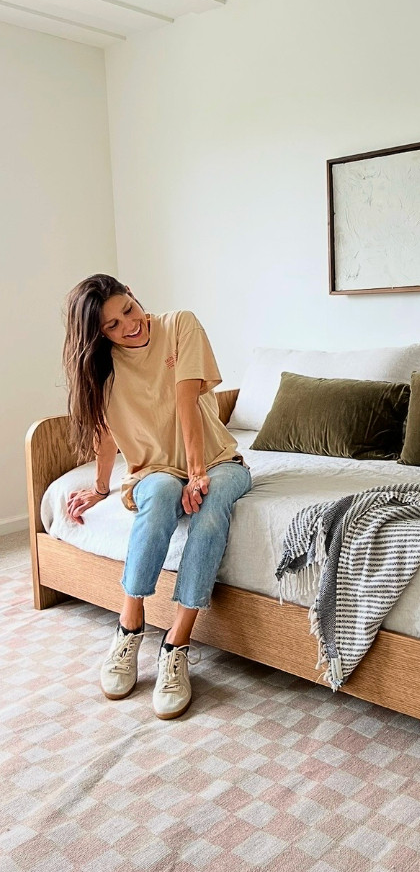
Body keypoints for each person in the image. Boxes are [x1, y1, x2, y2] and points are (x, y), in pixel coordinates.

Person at [62, 274, 251, 719]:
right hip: (154, 469)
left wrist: (199, 473)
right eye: (111, 325)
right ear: (99, 334)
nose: (129, 324)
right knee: (162, 491)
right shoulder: (103, 369)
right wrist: (99, 488)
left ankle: (176, 644)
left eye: (127, 309)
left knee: (213, 503)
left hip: (217, 460)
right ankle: (129, 626)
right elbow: (105, 434)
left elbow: (187, 402)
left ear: (133, 295)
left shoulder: (180, 324)